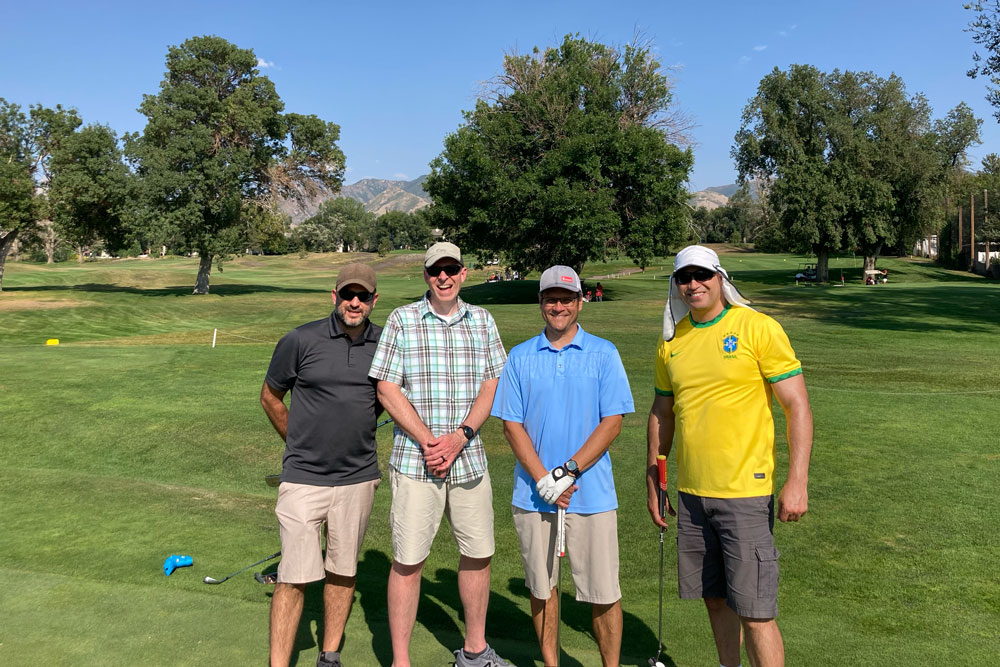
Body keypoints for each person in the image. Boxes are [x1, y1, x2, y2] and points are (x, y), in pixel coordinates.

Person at [647, 245, 813, 667]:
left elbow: (797, 405)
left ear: (720, 277)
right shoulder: (673, 343)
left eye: (702, 275)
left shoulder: (757, 327)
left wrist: (798, 481)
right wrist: (655, 474)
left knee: (756, 612)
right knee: (715, 601)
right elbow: (662, 411)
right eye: (684, 278)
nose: (693, 285)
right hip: (692, 494)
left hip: (745, 493)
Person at [368, 242, 509, 667]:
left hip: (468, 458)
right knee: (409, 560)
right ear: (426, 275)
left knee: (479, 553)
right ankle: (401, 660)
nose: (443, 277)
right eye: (435, 271)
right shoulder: (403, 320)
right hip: (416, 462)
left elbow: (491, 385)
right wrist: (432, 441)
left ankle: (475, 650)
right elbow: (387, 388)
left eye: (451, 269)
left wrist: (460, 437)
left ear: (464, 273)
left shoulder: (482, 320)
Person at [493, 265, 634, 667]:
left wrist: (567, 472)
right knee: (542, 589)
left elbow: (613, 422)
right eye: (551, 299)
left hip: (591, 494)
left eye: (566, 299)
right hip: (534, 495)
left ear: (580, 302)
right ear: (540, 303)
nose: (559, 306)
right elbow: (511, 425)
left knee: (604, 592)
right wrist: (544, 480)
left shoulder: (604, 353)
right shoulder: (520, 357)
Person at [260, 263, 384, 667]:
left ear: (373, 301)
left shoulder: (385, 344)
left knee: (343, 570)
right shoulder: (300, 340)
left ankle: (329, 655)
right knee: (293, 576)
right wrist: (296, 441)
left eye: (362, 296)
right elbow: (271, 397)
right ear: (334, 297)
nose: (354, 302)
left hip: (358, 478)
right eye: (347, 294)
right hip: (303, 478)